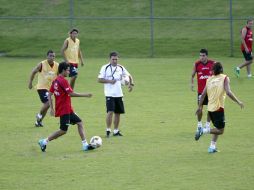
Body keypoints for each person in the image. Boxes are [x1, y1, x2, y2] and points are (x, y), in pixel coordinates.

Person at [38, 62, 94, 152]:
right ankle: (44, 141)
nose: (69, 72)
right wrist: (85, 95)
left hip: (67, 109)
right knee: (63, 130)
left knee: (80, 123)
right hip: (64, 110)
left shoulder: (56, 81)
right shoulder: (63, 81)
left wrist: (52, 108)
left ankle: (85, 145)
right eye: (67, 70)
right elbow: (71, 94)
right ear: (63, 70)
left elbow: (49, 94)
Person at [195, 62, 244, 153]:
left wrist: (199, 107)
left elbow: (202, 95)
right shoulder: (225, 78)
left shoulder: (209, 79)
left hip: (210, 108)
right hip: (218, 108)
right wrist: (238, 102)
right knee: (220, 131)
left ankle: (212, 147)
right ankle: (204, 131)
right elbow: (228, 92)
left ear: (214, 70)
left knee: (216, 127)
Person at [98, 51, 134, 137]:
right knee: (110, 112)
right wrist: (110, 81)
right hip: (109, 94)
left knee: (118, 113)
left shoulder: (121, 68)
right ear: (109, 59)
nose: (115, 61)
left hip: (119, 94)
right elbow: (99, 80)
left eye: (116, 59)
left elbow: (129, 76)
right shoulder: (105, 67)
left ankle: (116, 131)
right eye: (113, 59)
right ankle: (108, 130)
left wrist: (130, 84)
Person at [28, 50, 59, 127]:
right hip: (41, 87)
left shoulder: (57, 65)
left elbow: (59, 76)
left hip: (50, 89)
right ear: (47, 56)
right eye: (50, 56)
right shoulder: (41, 64)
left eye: (53, 56)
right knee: (49, 102)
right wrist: (30, 82)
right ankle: (38, 115)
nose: (52, 58)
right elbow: (33, 72)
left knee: (47, 105)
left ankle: (38, 122)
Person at [191, 49, 215, 131]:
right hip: (201, 92)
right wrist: (192, 83)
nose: (201, 57)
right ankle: (199, 124)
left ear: (207, 56)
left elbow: (218, 75)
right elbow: (192, 75)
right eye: (200, 55)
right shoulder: (196, 64)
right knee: (200, 108)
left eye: (203, 55)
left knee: (211, 108)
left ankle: (207, 125)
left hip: (211, 91)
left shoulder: (213, 63)